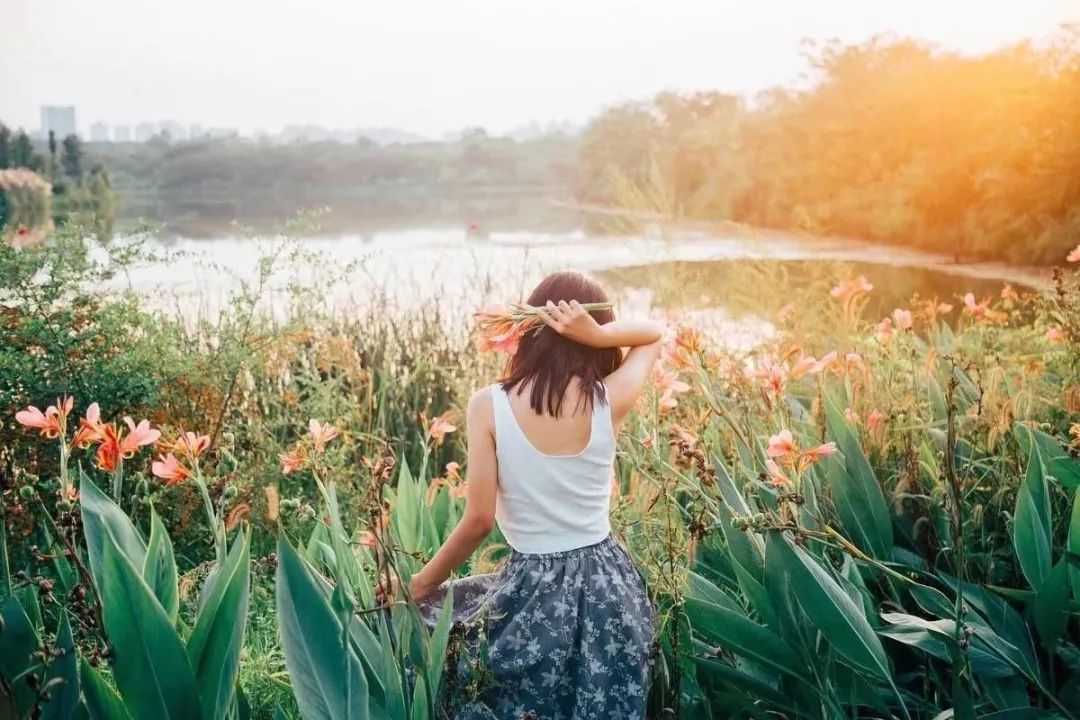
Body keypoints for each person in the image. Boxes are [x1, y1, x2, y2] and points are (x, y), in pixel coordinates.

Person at [397, 270, 664, 720]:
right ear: (586, 336)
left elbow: (478, 522)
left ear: (528, 332)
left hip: (532, 589)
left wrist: (421, 585)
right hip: (609, 587)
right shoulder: (607, 398)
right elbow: (653, 335)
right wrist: (597, 334)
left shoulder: (489, 405)